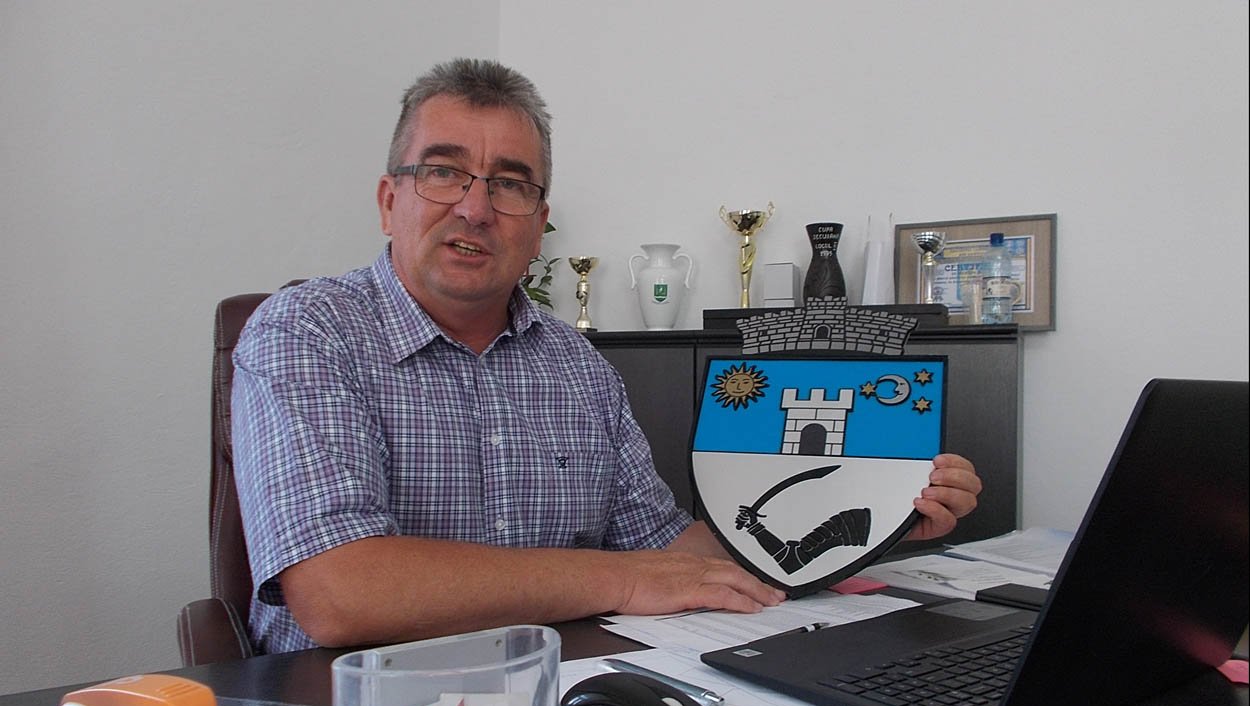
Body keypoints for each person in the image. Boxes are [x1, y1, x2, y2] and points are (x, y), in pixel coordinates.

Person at [232, 58, 982, 654]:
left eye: (510, 184)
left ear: (538, 224)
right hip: (350, 696)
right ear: (388, 200)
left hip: (564, 683)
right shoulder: (307, 331)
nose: (475, 207)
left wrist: (872, 520)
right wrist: (619, 581)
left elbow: (672, 553)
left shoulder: (575, 364)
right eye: (442, 172)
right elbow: (339, 592)